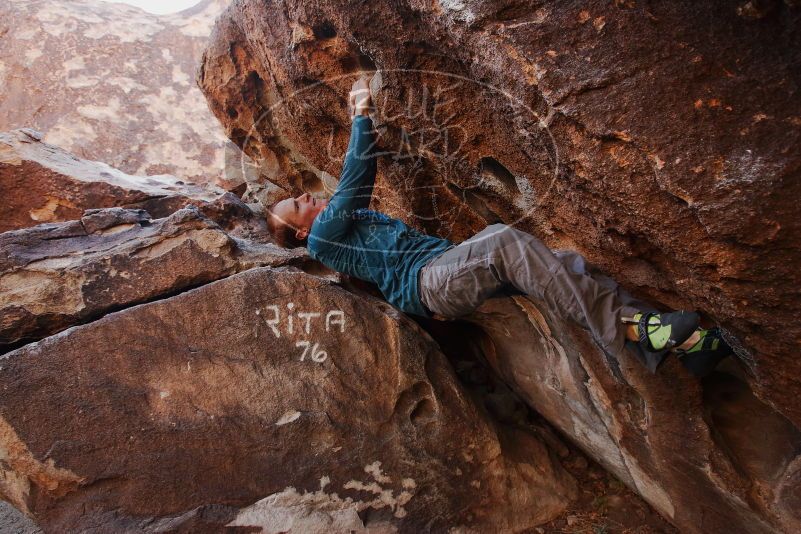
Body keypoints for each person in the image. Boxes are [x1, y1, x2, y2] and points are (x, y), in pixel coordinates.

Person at [266, 77, 732, 377]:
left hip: (443, 268)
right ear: (302, 233)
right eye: (297, 205)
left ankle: (684, 345)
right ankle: (639, 335)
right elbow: (356, 178)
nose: (306, 197)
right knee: (505, 242)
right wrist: (361, 114)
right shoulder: (326, 237)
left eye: (302, 195)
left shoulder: (338, 228)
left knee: (567, 263)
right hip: (429, 284)